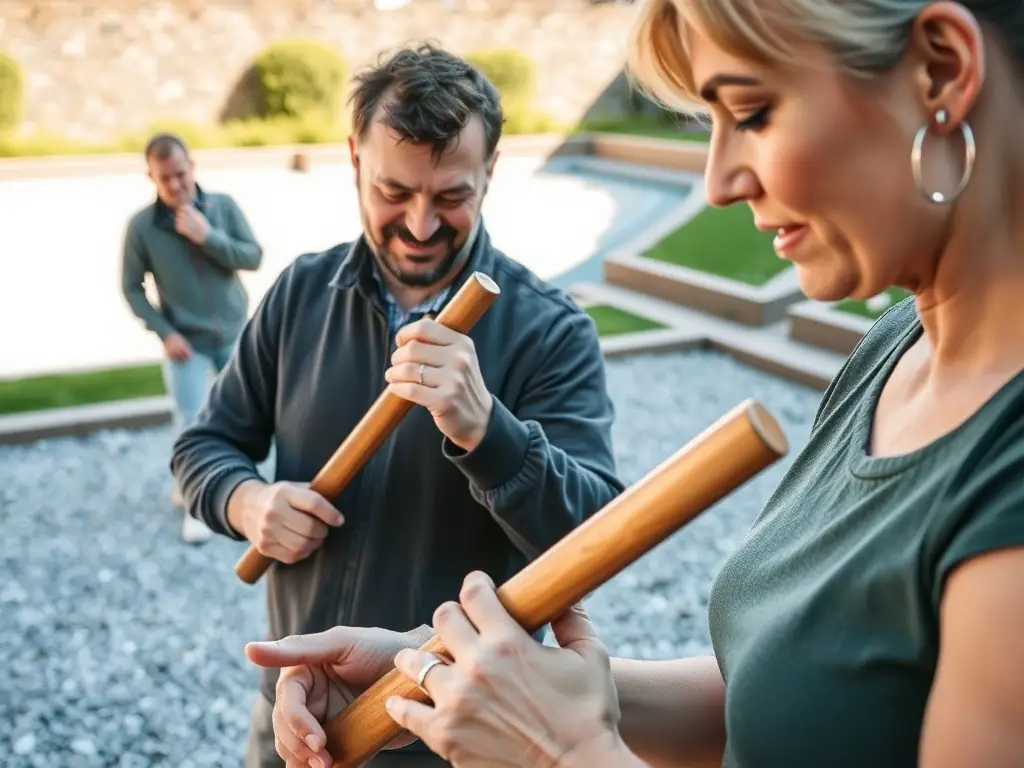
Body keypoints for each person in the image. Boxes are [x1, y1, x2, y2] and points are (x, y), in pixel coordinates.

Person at [243, 1, 1024, 767]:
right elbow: (779, 701)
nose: (717, 182)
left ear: (942, 71)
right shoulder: (894, 346)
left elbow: (588, 530)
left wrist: (563, 751)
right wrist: (441, 669)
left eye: (751, 114)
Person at [169, 43, 623, 768]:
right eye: (394, 191)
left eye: (451, 196)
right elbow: (201, 448)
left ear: (491, 171)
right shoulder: (301, 293)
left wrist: (488, 432)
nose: (419, 224)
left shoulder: (551, 330)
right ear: (354, 159)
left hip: (459, 733)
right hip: (295, 712)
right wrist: (244, 501)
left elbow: (596, 538)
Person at [122, 133, 264, 544]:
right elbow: (131, 287)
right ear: (151, 177)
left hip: (235, 334)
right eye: (165, 178)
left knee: (246, 414)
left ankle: (245, 494)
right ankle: (194, 502)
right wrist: (165, 333)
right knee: (191, 423)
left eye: (180, 174)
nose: (175, 185)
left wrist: (208, 237)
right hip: (186, 343)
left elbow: (253, 256)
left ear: (192, 167)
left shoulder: (223, 207)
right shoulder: (143, 227)